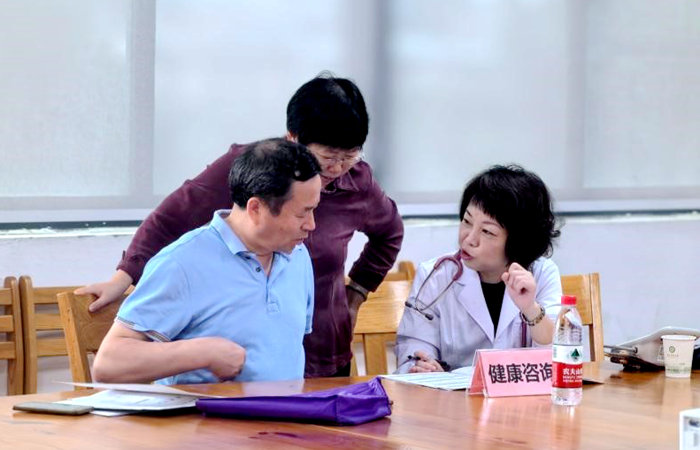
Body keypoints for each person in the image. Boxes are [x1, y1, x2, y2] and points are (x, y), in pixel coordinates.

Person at [78, 74, 404, 378]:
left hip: (316, 350)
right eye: (329, 156)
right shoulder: (252, 171)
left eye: (350, 156)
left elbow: (389, 232)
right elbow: (170, 218)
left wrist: (356, 292)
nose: (338, 168)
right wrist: (123, 277)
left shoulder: (309, 243)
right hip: (232, 375)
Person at [92, 139, 320, 384]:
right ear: (255, 209)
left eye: (314, 209)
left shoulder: (297, 256)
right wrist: (202, 352)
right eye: (302, 213)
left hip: (288, 409)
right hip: (204, 410)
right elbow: (108, 365)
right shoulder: (182, 263)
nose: (312, 225)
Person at [394, 165, 562, 374]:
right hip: (449, 394)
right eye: (467, 221)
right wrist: (423, 367)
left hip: (520, 395)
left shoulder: (541, 274)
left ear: (518, 241)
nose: (469, 239)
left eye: (487, 231)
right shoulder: (436, 275)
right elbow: (413, 347)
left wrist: (530, 308)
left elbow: (557, 356)